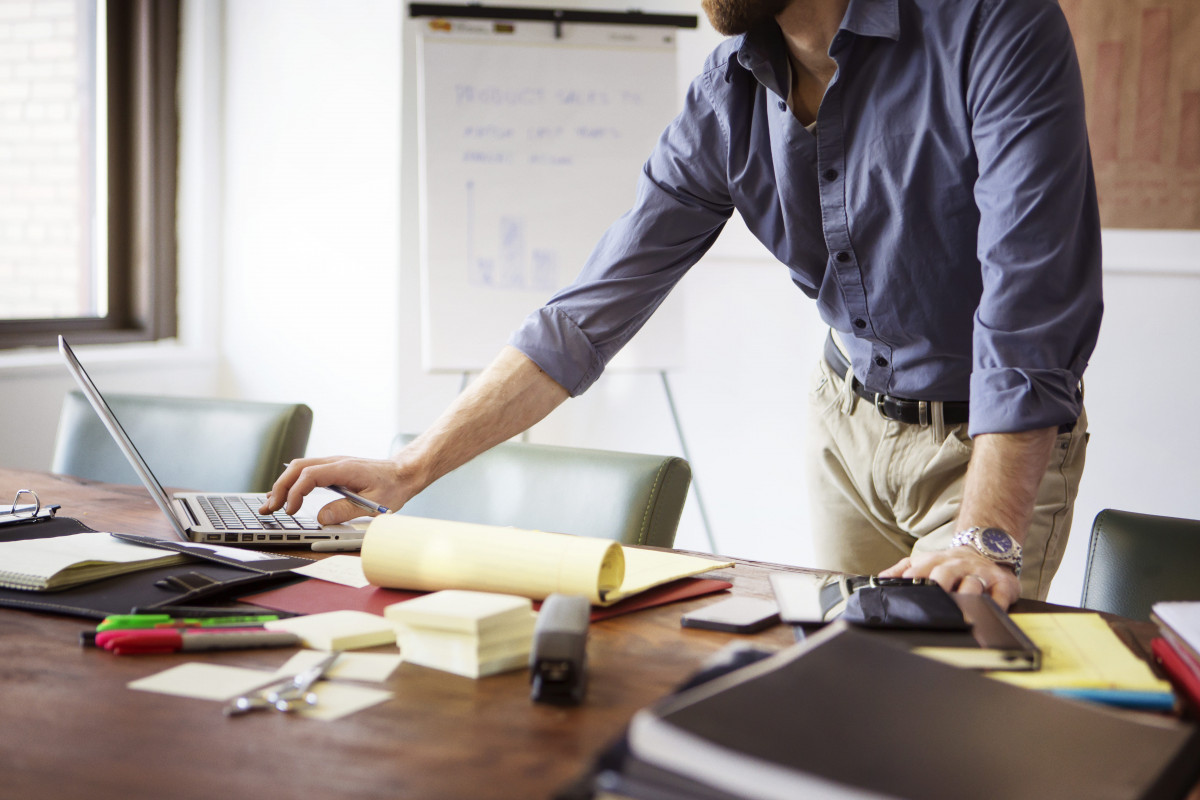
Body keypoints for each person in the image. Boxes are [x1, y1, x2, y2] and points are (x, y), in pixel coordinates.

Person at [262, 0, 1102, 609]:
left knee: (954, 711)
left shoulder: (996, 22)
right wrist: (411, 468)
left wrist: (986, 531)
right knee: (851, 690)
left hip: (985, 441)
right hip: (845, 426)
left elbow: (1028, 297)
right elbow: (589, 313)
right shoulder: (727, 95)